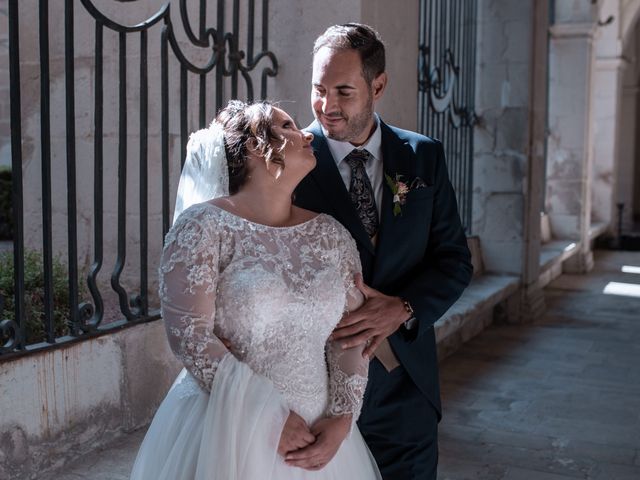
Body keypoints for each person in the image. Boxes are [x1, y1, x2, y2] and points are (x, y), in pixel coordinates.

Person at [129, 100, 381, 479]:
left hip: (319, 437)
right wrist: (265, 416)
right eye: (288, 126)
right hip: (228, 428)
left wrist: (343, 418)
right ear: (253, 146)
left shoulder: (331, 235)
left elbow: (350, 334)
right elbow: (190, 335)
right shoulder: (202, 227)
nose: (306, 134)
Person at [294, 23, 473, 479]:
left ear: (379, 85)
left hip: (405, 388)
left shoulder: (422, 157)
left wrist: (404, 307)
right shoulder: (287, 161)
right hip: (313, 388)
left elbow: (453, 260)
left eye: (343, 91)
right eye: (318, 89)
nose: (326, 106)